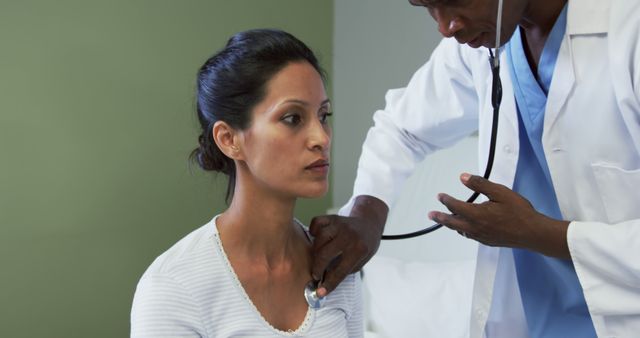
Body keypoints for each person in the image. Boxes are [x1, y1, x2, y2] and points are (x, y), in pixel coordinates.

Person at [308, 0, 640, 336]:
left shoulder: (629, 29)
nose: (445, 27)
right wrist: (366, 215)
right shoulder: (486, 43)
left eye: (453, 0)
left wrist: (538, 234)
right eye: (426, 6)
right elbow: (401, 129)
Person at [131, 29, 363, 337]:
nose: (321, 138)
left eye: (323, 116)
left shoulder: (338, 271)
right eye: (293, 118)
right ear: (229, 140)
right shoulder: (174, 287)